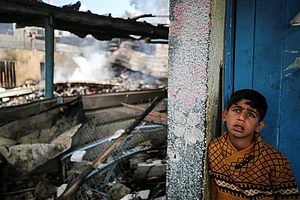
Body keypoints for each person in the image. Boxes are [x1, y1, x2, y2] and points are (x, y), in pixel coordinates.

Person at [208, 89, 300, 199]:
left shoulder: (275, 160)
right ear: (225, 115)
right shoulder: (214, 149)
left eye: (251, 114)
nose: (241, 118)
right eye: (236, 110)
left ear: (259, 126)